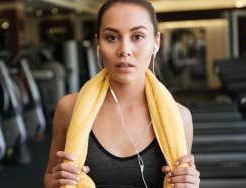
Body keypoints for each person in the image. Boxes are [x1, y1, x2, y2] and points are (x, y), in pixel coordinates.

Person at [44, 0, 200, 187]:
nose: (124, 50)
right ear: (98, 44)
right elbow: (49, 177)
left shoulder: (180, 117)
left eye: (137, 36)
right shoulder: (69, 109)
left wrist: (189, 183)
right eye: (111, 38)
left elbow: (182, 180)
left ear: (155, 43)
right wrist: (55, 182)